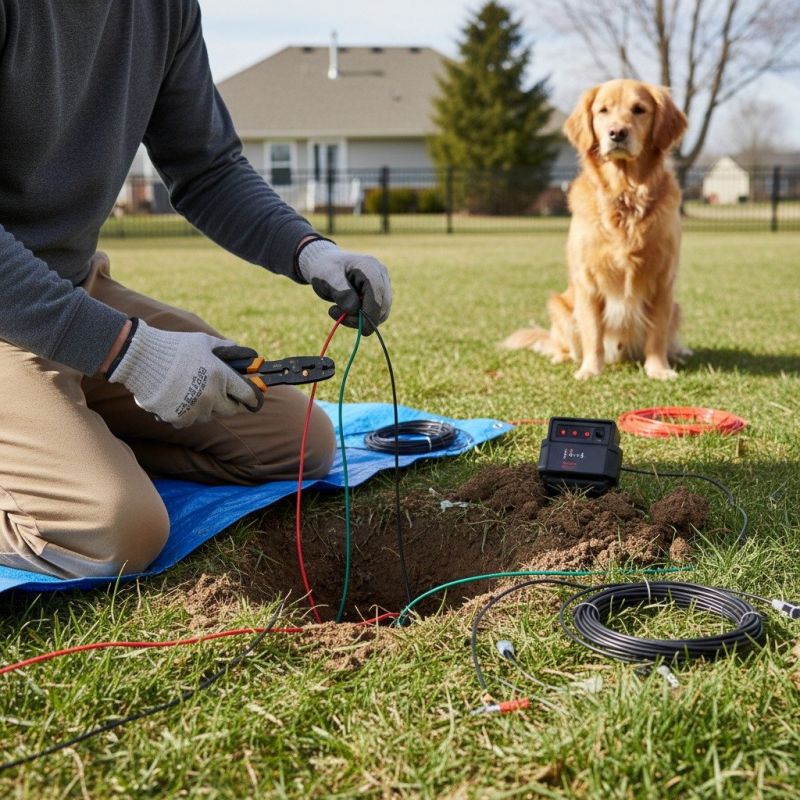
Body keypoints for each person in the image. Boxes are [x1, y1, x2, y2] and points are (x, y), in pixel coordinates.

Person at [0, 1, 392, 579]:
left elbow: (207, 169)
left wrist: (311, 251)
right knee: (115, 529)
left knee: (297, 444)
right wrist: (129, 352)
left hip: (74, 290)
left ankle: (66, 452)